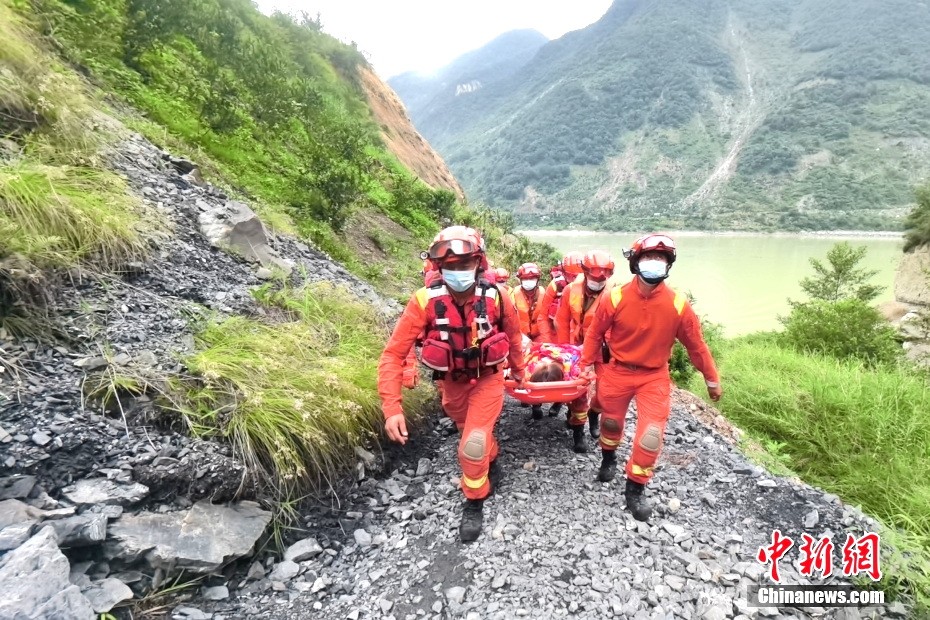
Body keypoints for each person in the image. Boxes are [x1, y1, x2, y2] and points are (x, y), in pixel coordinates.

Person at [378, 226, 526, 542]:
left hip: (488, 379)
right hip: (452, 384)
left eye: (464, 265)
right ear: (438, 267)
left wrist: (520, 371)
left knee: (472, 443)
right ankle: (492, 457)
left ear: (478, 263)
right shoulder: (424, 301)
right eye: (450, 266)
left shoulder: (498, 296)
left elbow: (514, 337)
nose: (458, 272)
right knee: (471, 433)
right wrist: (392, 407)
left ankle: (474, 500)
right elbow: (393, 354)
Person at [580, 234, 722, 522]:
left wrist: (711, 379)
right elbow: (595, 333)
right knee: (611, 423)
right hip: (617, 371)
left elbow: (696, 345)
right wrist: (585, 364)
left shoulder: (678, 305)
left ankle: (635, 488)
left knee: (651, 437)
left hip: (654, 377)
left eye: (661, 258)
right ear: (635, 262)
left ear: (669, 264)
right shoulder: (615, 296)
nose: (654, 263)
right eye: (648, 257)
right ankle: (608, 458)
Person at [554, 250, 614, 452]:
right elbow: (561, 320)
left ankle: (594, 413)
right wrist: (564, 351)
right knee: (577, 390)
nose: (598, 280)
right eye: (594, 276)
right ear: (586, 272)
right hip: (575, 348)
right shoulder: (572, 290)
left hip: (603, 350)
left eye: (603, 277)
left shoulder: (614, 295)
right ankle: (578, 431)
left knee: (606, 394)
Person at [511, 263, 547, 419]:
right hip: (520, 335)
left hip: (539, 334)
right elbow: (509, 319)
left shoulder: (545, 294)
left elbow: (547, 318)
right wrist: (518, 335)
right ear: (520, 280)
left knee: (538, 367)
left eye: (532, 278)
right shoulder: (513, 294)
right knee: (521, 364)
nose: (529, 281)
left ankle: (536, 404)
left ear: (537, 279)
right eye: (526, 278)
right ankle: (523, 392)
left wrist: (545, 340)